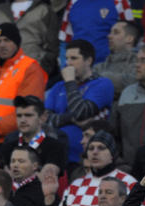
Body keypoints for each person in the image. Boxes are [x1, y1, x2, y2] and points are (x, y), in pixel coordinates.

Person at [44, 39, 114, 167]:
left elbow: (80, 112)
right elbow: (45, 120)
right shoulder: (58, 86)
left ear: (89, 60)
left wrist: (70, 82)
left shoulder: (102, 84)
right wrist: (71, 119)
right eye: (67, 58)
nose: (68, 63)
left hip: (86, 158)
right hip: (56, 156)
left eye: (74, 58)